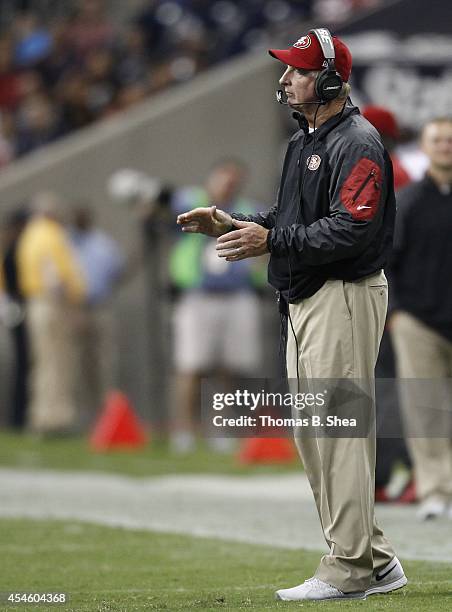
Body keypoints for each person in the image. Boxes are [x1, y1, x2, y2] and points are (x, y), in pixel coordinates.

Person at [178, 28, 406, 601]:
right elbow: (288, 216)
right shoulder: (306, 140)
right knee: (312, 434)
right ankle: (374, 560)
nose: (285, 80)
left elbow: (351, 227)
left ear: (330, 79)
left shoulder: (357, 141)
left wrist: (270, 241)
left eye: (299, 70)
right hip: (308, 295)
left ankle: (351, 568)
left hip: (343, 294)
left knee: (339, 435)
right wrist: (233, 223)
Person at [389, 117, 452, 521]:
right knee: (425, 408)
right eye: (438, 140)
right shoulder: (407, 201)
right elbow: (387, 261)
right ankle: (434, 489)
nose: (446, 146)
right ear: (425, 147)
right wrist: (395, 313)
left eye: (451, 140)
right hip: (418, 321)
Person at [361, 105, 414, 503]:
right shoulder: (403, 174)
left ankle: (397, 471)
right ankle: (390, 472)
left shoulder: (383, 174)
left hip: (389, 293)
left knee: (390, 387)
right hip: (389, 292)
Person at [17, 191, 85, 435]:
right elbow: (55, 275)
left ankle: (41, 415)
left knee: (44, 362)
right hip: (53, 304)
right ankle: (55, 419)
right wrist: (71, 309)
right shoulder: (50, 235)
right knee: (58, 362)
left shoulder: (29, 235)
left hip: (37, 303)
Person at [69, 206, 125, 429]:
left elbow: (116, 272)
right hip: (74, 309)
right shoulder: (66, 243)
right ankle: (84, 415)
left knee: (104, 361)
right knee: (78, 364)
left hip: (100, 307)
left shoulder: (103, 244)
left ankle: (107, 415)